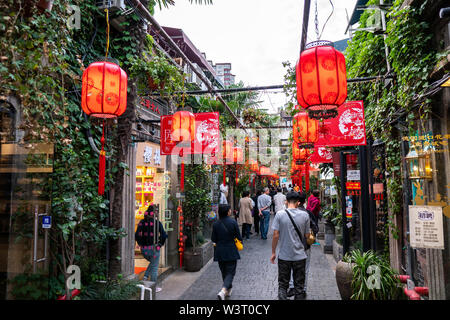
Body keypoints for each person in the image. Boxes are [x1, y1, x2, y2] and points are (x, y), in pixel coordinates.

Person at [270, 191, 310, 300]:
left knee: (283, 285)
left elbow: (275, 235)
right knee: (299, 287)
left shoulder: (280, 214)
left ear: (286, 202)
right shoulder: (305, 215)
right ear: (298, 202)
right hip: (300, 256)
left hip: (284, 256)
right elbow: (307, 235)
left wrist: (273, 252)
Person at [211, 204, 243, 300]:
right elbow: (239, 237)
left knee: (224, 271)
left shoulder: (216, 224)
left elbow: (213, 239)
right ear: (228, 212)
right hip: (231, 250)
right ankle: (223, 290)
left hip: (220, 251)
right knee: (230, 272)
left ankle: (228, 290)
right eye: (229, 210)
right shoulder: (233, 222)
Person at [135, 205, 168, 293]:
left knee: (153, 263)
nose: (157, 213)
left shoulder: (142, 222)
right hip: (154, 249)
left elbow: (137, 235)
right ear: (154, 213)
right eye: (157, 211)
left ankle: (145, 276)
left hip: (144, 250)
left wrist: (141, 244)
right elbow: (164, 235)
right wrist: (160, 244)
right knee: (154, 268)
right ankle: (154, 287)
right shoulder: (157, 223)